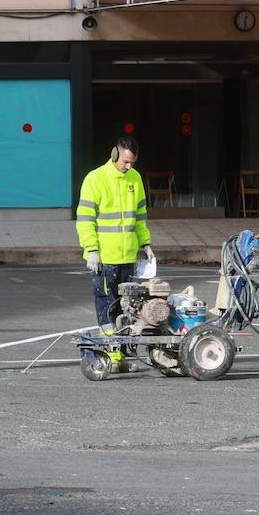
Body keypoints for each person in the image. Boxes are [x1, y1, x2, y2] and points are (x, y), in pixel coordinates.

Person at [76, 136, 153, 372]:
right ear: (114, 155)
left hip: (127, 257)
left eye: (132, 163)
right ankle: (113, 357)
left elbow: (140, 216)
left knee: (127, 308)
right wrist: (91, 250)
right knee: (107, 307)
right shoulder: (95, 178)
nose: (129, 167)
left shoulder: (135, 178)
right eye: (126, 162)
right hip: (105, 258)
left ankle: (121, 357)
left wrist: (146, 243)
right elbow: (86, 218)